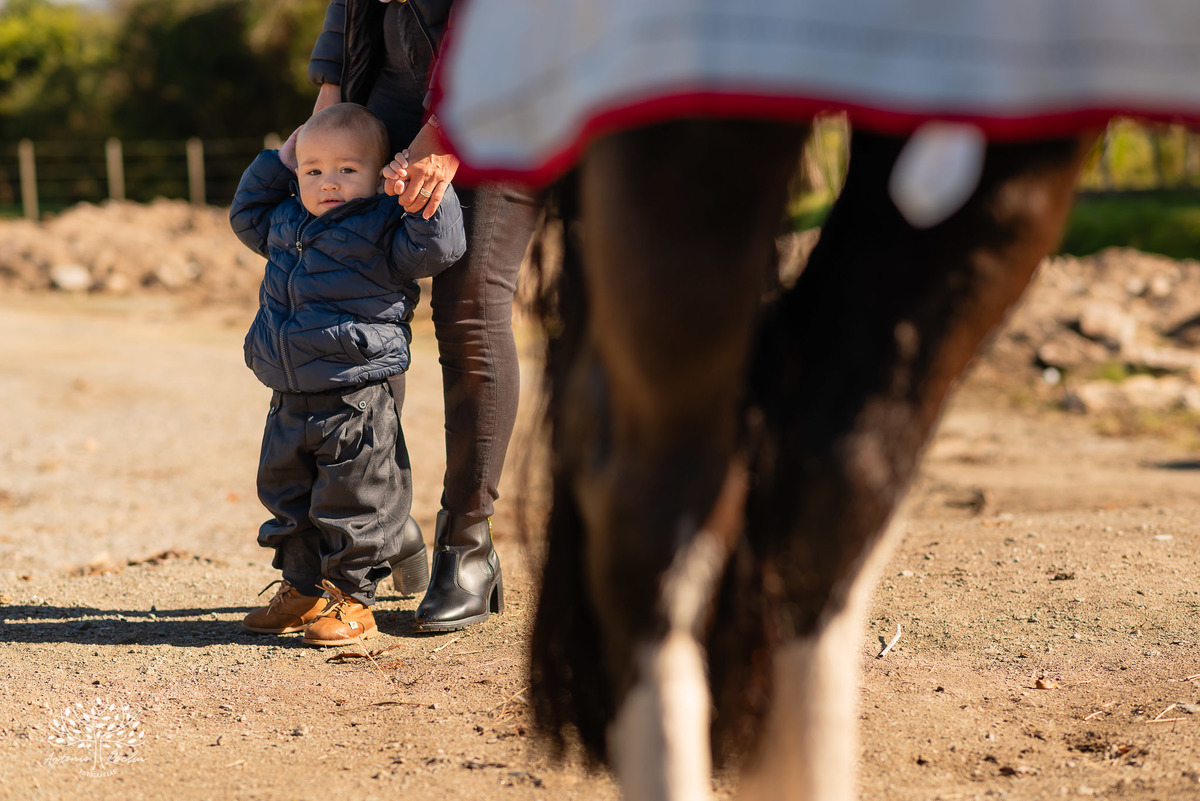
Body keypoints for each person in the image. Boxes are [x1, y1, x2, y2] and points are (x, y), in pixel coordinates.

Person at [307, 0, 539, 632]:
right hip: (387, 90)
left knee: (469, 308)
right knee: (352, 301)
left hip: (501, 89)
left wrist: (444, 135)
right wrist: (328, 113)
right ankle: (382, 520)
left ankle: (468, 543)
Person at [231, 102, 466, 646]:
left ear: (380, 171)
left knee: (354, 500)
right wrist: (278, 160)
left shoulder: (386, 224)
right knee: (287, 495)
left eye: (346, 169)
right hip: (288, 390)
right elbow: (245, 215)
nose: (327, 182)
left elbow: (441, 247)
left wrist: (424, 194)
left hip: (356, 392)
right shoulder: (286, 220)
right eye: (312, 170)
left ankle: (354, 600)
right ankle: (301, 588)